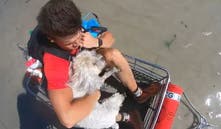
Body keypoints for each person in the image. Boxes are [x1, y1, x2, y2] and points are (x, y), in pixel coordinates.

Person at [32, 0, 160, 128]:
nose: (77, 43)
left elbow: (110, 38)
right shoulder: (55, 65)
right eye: (70, 43)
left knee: (113, 54)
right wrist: (94, 94)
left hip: (84, 61)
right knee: (84, 112)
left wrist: (96, 42)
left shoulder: (74, 26)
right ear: (52, 39)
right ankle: (124, 117)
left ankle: (138, 94)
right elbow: (68, 119)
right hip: (72, 77)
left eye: (78, 36)